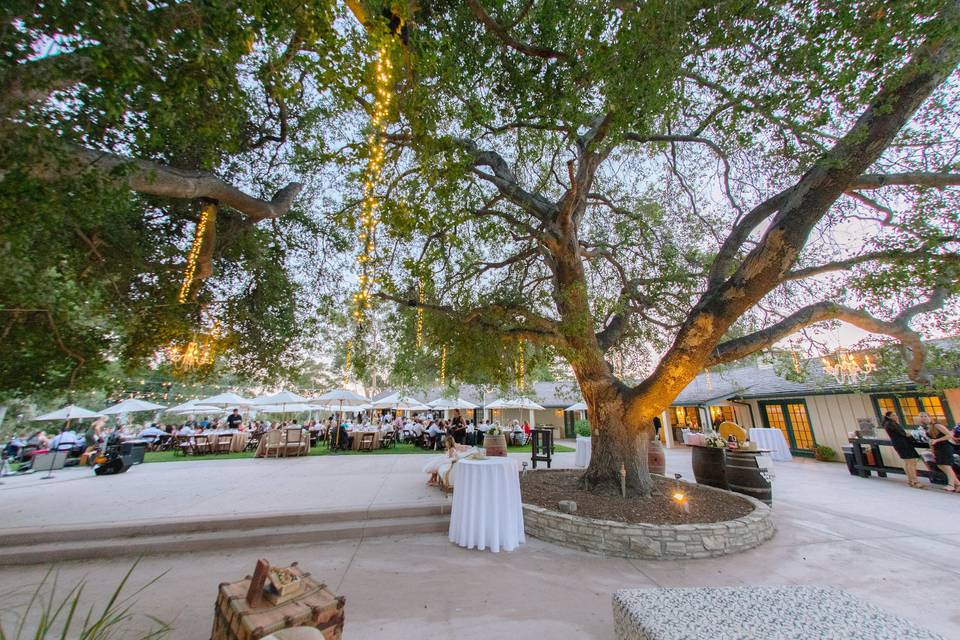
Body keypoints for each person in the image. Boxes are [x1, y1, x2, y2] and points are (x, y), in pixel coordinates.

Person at [881, 411, 923, 489]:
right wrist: (914, 434)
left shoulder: (888, 424)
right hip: (903, 444)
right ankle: (915, 481)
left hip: (898, 444)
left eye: (895, 414)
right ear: (889, 417)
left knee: (907, 462)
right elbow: (903, 434)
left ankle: (910, 480)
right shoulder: (892, 424)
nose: (896, 416)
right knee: (911, 462)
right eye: (893, 415)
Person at [920, 412, 959, 492]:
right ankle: (958, 483)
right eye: (921, 416)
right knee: (941, 465)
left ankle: (951, 485)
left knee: (946, 466)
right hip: (937, 448)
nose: (923, 418)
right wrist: (932, 450)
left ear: (929, 416)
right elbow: (930, 440)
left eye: (925, 416)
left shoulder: (937, 425)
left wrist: (937, 440)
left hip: (945, 447)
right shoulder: (927, 427)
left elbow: (949, 435)